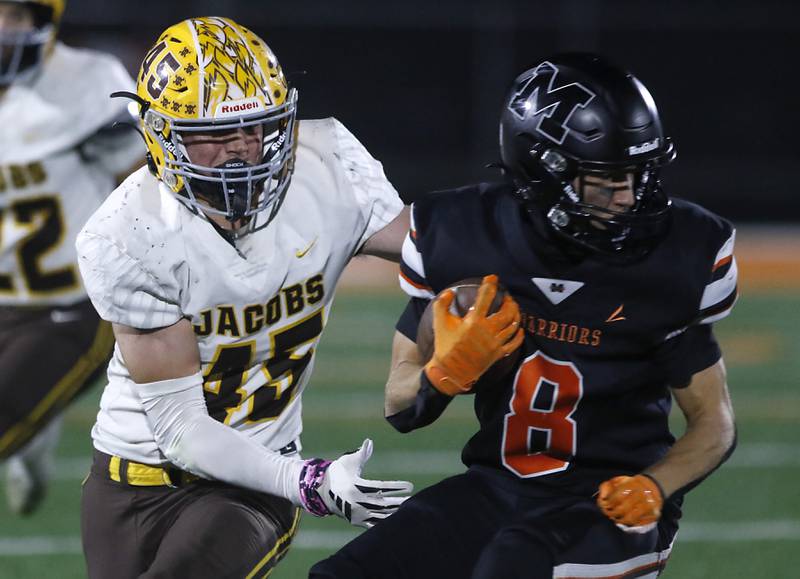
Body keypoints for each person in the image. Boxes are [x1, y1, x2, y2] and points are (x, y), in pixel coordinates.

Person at [310, 53, 738, 578]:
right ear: (543, 168)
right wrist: (445, 374)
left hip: (609, 507)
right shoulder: (463, 236)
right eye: (605, 179)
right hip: (499, 487)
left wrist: (655, 486)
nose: (628, 197)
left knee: (508, 567)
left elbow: (713, 423)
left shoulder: (676, 256)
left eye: (638, 175)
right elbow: (400, 404)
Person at [76, 15, 413, 579]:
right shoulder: (129, 232)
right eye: (210, 135)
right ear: (162, 134)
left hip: (253, 483)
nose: (238, 153)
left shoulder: (326, 166)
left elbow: (435, 252)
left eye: (253, 129)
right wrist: (312, 484)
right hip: (128, 479)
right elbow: (181, 429)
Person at [0, 0, 142, 515]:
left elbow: (150, 184)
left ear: (45, 19)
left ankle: (32, 408)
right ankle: (35, 429)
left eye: (15, 15)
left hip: (71, 307)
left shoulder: (86, 82)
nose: (2, 28)